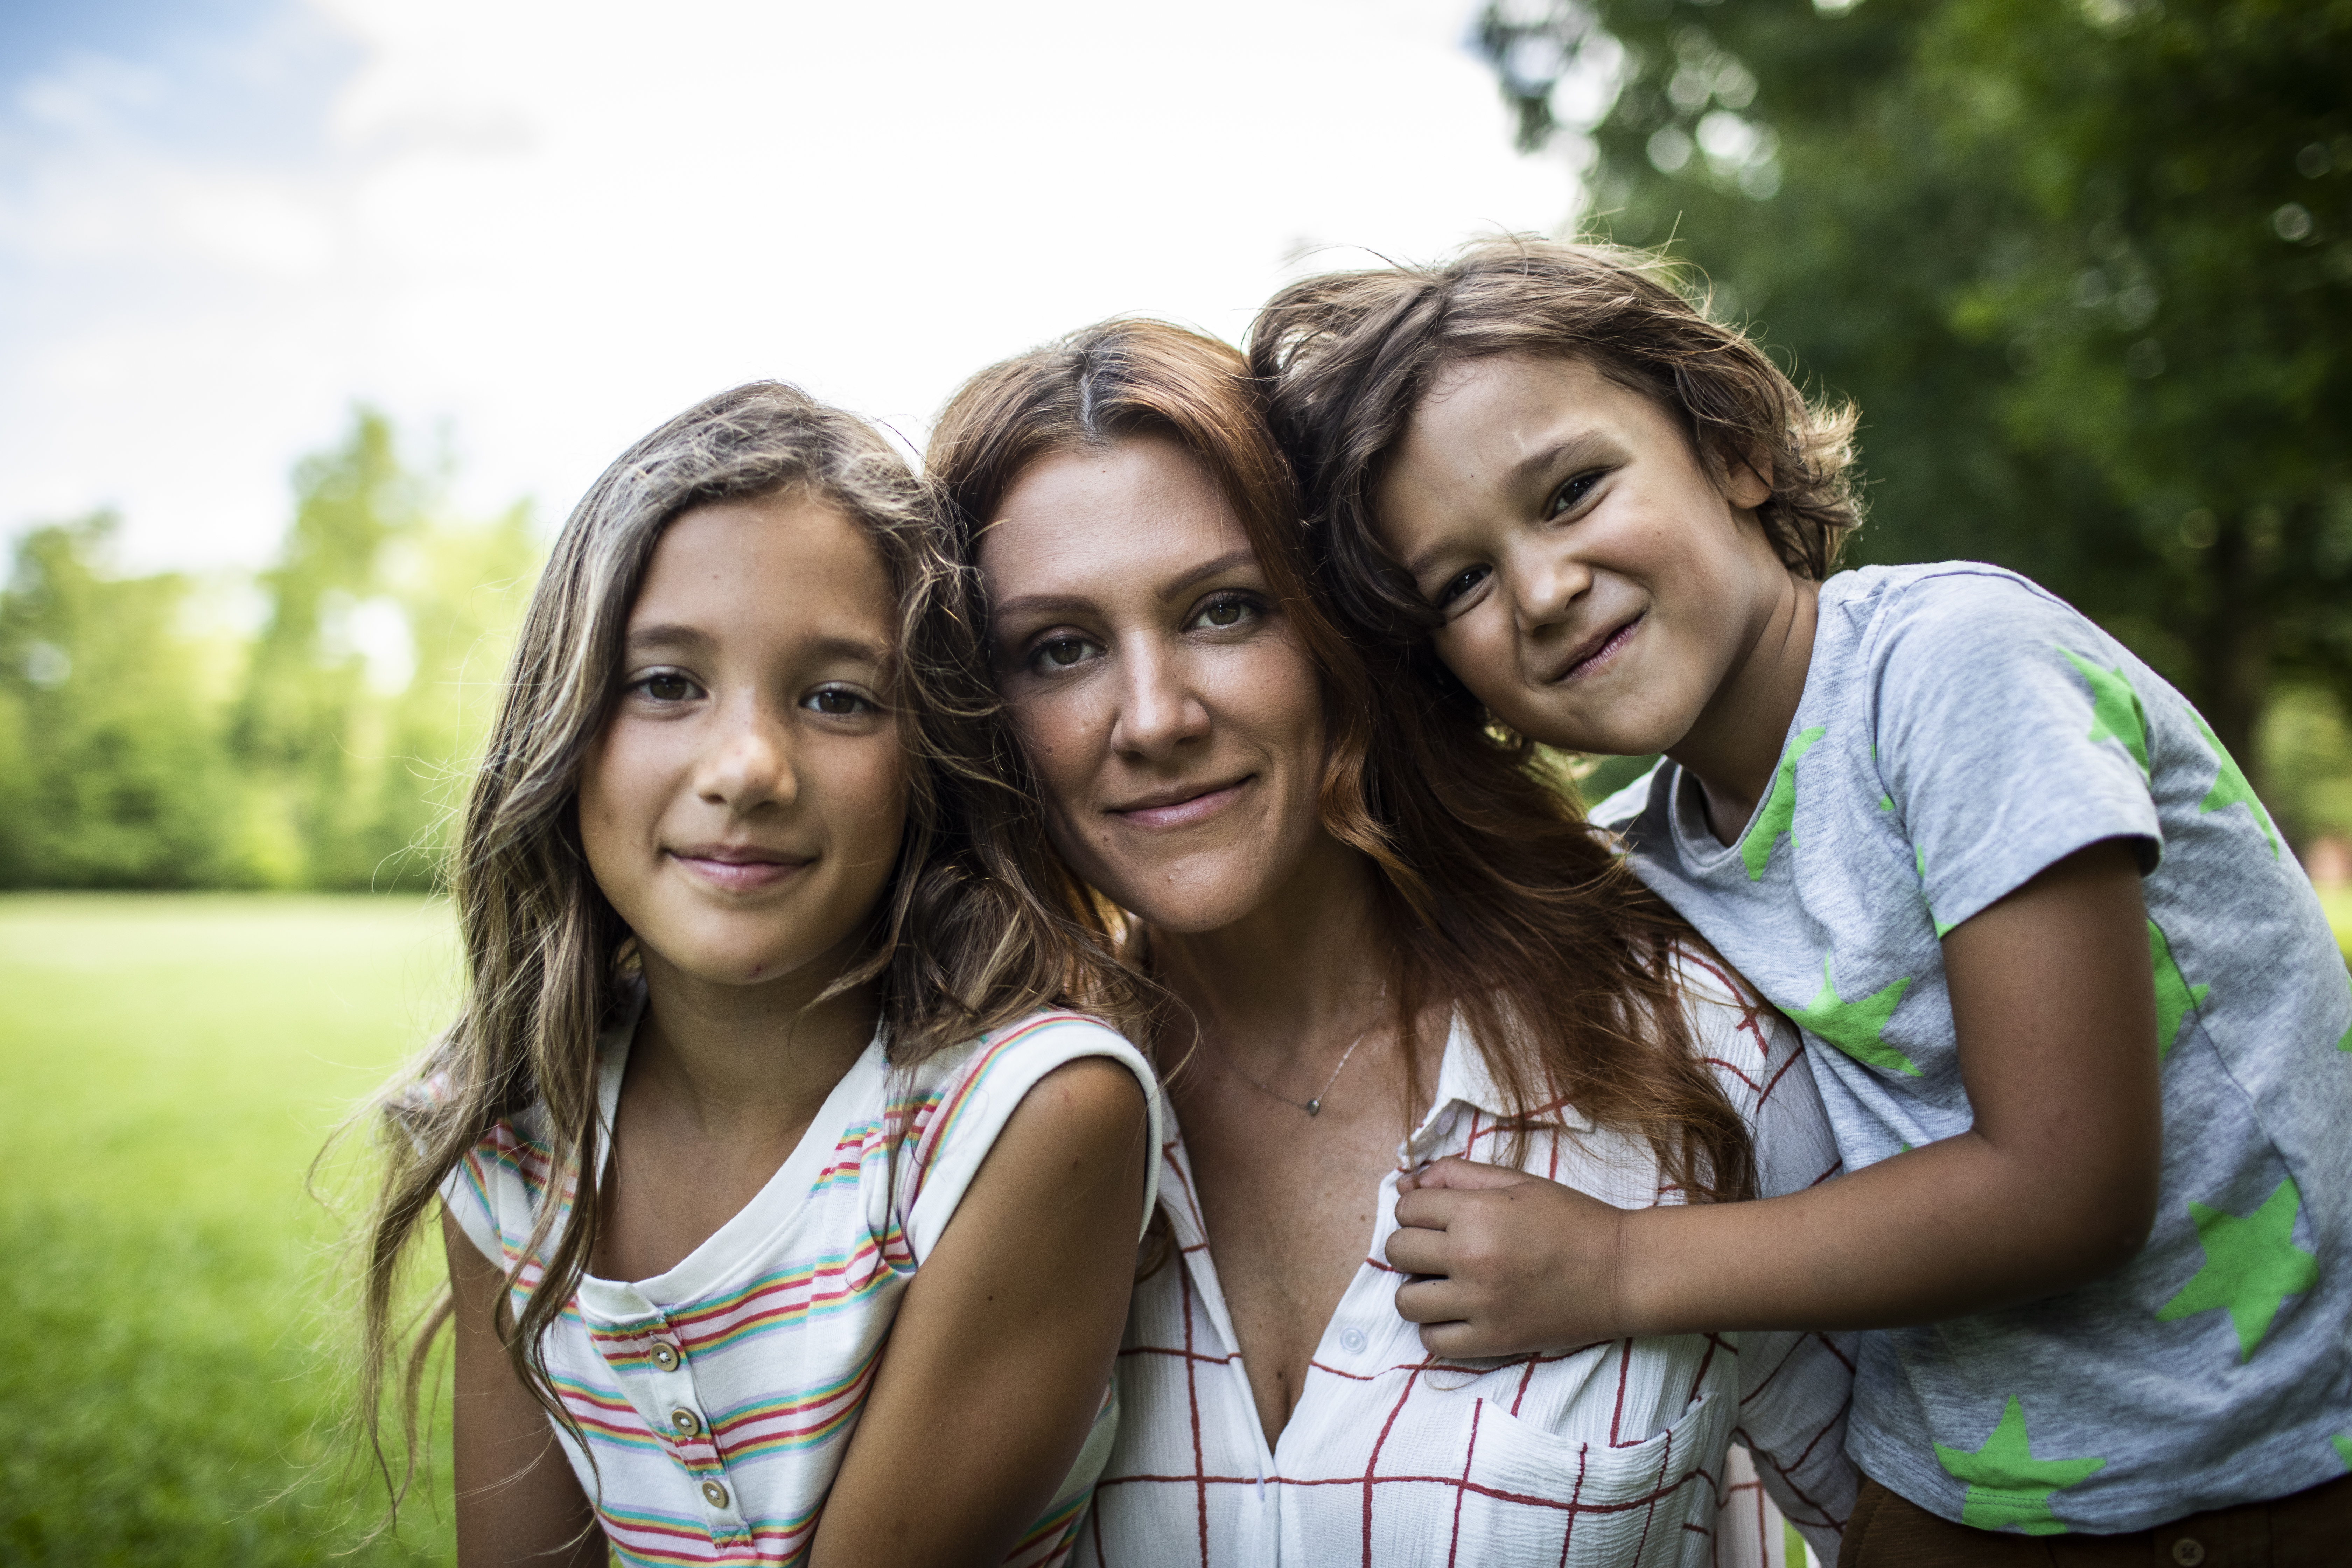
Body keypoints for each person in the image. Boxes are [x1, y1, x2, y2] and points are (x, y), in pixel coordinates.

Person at [1250, 238, 2352, 1560]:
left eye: (1573, 492)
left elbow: (2072, 1186)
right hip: (1968, 1491)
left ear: (1732, 452)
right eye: (1462, 585)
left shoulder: (1953, 673)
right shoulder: (1644, 862)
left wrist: (1614, 1270)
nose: (1542, 591)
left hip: (2269, 1470)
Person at [926, 318, 1855, 1565]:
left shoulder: (1681, 1041)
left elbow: (1933, 1505)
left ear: (1342, 633)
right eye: (1061, 650)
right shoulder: (952, 1136)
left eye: (1222, 611)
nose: (1153, 719)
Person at [351, 382, 1160, 1568]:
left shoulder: (1026, 1114)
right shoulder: (509, 1133)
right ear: (567, 728)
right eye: (667, 682)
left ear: (925, 755)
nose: (748, 769)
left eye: (837, 698)